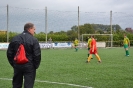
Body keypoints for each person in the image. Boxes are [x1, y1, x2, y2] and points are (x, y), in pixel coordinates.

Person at [7, 23, 41, 88]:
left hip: (17, 65)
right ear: (29, 29)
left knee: (16, 85)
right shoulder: (34, 40)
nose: (34, 31)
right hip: (29, 65)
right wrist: (35, 66)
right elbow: (37, 55)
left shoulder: (15, 38)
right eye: (34, 29)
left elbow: (9, 53)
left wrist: (14, 64)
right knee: (28, 85)